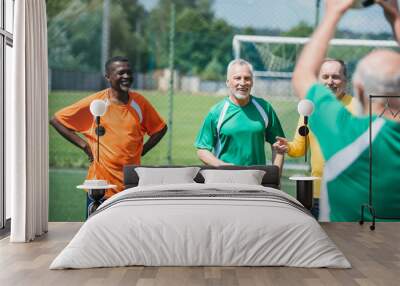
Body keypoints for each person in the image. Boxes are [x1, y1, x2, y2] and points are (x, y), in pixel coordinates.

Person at [286, 0, 400, 221]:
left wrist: (333, 13)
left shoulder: (344, 133)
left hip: (347, 254)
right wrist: (395, 15)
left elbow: (302, 75)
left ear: (356, 88)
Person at [50, 56, 167, 200]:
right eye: (121, 73)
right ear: (108, 76)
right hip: (100, 187)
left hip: (130, 186)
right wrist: (85, 146)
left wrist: (143, 150)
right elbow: (57, 120)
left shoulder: (140, 103)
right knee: (97, 223)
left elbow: (160, 129)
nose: (126, 76)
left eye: (129, 73)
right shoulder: (96, 103)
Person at [273, 58, 355, 219]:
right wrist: (287, 147)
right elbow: (299, 148)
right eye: (325, 77)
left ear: (345, 80)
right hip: (317, 194)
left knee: (349, 241)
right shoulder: (309, 109)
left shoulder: (359, 108)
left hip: (349, 194)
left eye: (335, 76)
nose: (330, 82)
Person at [194, 59, 285, 171]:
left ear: (252, 82)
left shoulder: (265, 108)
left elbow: (278, 146)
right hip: (226, 180)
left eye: (247, 78)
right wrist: (222, 166)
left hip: (258, 180)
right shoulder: (216, 112)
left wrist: (276, 177)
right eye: (237, 78)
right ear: (228, 82)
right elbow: (202, 150)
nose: (242, 83)